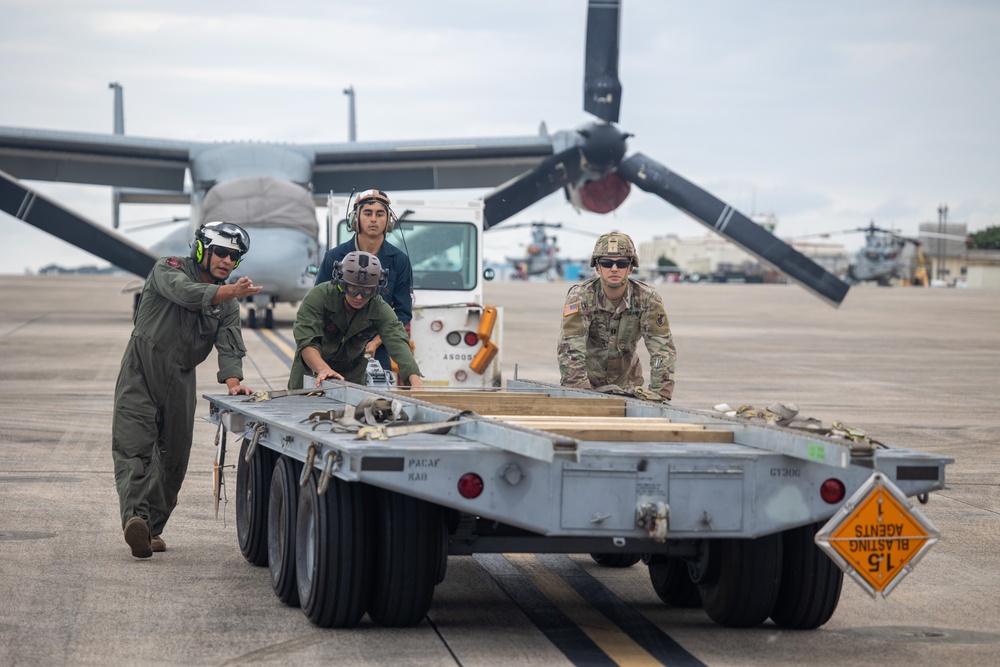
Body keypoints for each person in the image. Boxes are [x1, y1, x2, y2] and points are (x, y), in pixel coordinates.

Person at [112, 221, 264, 559]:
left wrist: (234, 382)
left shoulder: (228, 303)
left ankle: (150, 529)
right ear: (202, 249)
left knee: (174, 458)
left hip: (181, 377)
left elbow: (230, 345)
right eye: (221, 252)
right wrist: (230, 292)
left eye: (234, 257)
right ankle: (135, 518)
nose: (227, 261)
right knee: (134, 446)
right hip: (142, 368)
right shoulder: (169, 269)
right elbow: (185, 293)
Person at [557, 231, 676, 401]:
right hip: (585, 385)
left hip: (629, 387)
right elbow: (570, 349)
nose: (614, 269)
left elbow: (662, 350)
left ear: (630, 267)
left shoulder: (647, 299)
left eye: (621, 263)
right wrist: (580, 393)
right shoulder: (581, 297)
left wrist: (659, 393)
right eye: (606, 263)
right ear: (597, 267)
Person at [289, 251, 423, 389]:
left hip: (352, 377)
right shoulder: (318, 297)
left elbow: (397, 339)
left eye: (367, 291)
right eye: (352, 287)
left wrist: (415, 380)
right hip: (311, 372)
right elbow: (306, 341)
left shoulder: (378, 307)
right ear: (341, 283)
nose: (359, 297)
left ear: (376, 289)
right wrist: (323, 369)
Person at [314, 189, 413, 375]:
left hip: (375, 351)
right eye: (367, 213)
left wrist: (374, 342)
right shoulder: (335, 257)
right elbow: (318, 305)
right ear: (355, 219)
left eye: (380, 214)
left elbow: (403, 312)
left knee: (378, 401)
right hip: (332, 350)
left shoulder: (399, 261)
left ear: (388, 221)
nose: (373, 219)